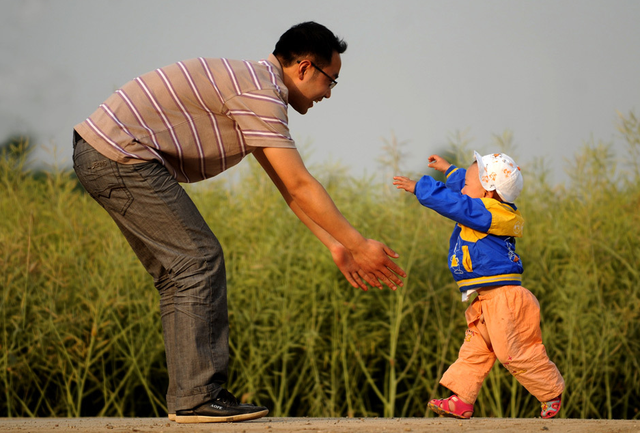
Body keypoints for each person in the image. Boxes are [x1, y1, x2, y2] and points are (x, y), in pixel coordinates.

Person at [72, 21, 406, 424]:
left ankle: (192, 397)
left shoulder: (256, 87)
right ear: (304, 68)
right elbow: (301, 185)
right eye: (331, 81)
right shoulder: (260, 94)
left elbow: (287, 187)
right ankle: (196, 396)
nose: (329, 94)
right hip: (119, 154)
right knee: (197, 260)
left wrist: (333, 243)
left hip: (107, 152)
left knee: (184, 269)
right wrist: (357, 244)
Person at [393, 152, 564, 419]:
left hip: (504, 300)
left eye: (467, 184)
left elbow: (458, 203)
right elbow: (467, 189)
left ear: (489, 191)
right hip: (486, 300)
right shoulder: (486, 205)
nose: (462, 188)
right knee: (474, 349)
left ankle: (550, 391)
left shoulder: (486, 213)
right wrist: (449, 169)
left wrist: (420, 187)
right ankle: (462, 400)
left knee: (513, 352)